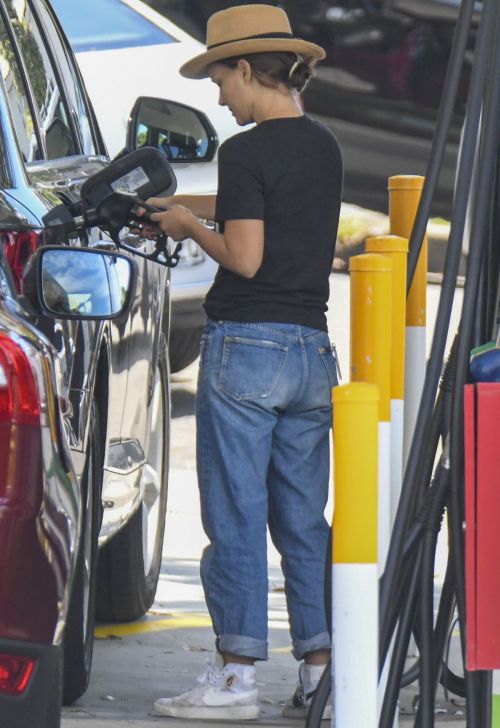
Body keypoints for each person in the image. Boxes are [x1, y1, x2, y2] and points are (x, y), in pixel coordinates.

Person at [149, 4, 343, 721]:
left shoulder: (245, 151)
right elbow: (274, 211)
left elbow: (246, 254)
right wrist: (177, 204)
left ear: (247, 69)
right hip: (309, 353)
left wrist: (190, 225)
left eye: (220, 78)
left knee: (234, 515)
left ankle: (234, 679)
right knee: (301, 518)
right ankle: (321, 668)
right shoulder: (323, 145)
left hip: (247, 351)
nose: (218, 94)